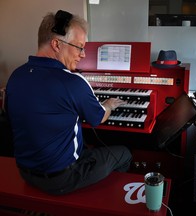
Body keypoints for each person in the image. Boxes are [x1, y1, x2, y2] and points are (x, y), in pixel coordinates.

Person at [5, 10, 132, 195]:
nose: (82, 55)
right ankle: (101, 200)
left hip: (25, 172)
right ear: (56, 44)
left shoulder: (16, 76)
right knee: (125, 154)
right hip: (62, 179)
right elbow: (99, 118)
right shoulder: (72, 82)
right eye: (79, 47)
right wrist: (109, 105)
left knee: (85, 144)